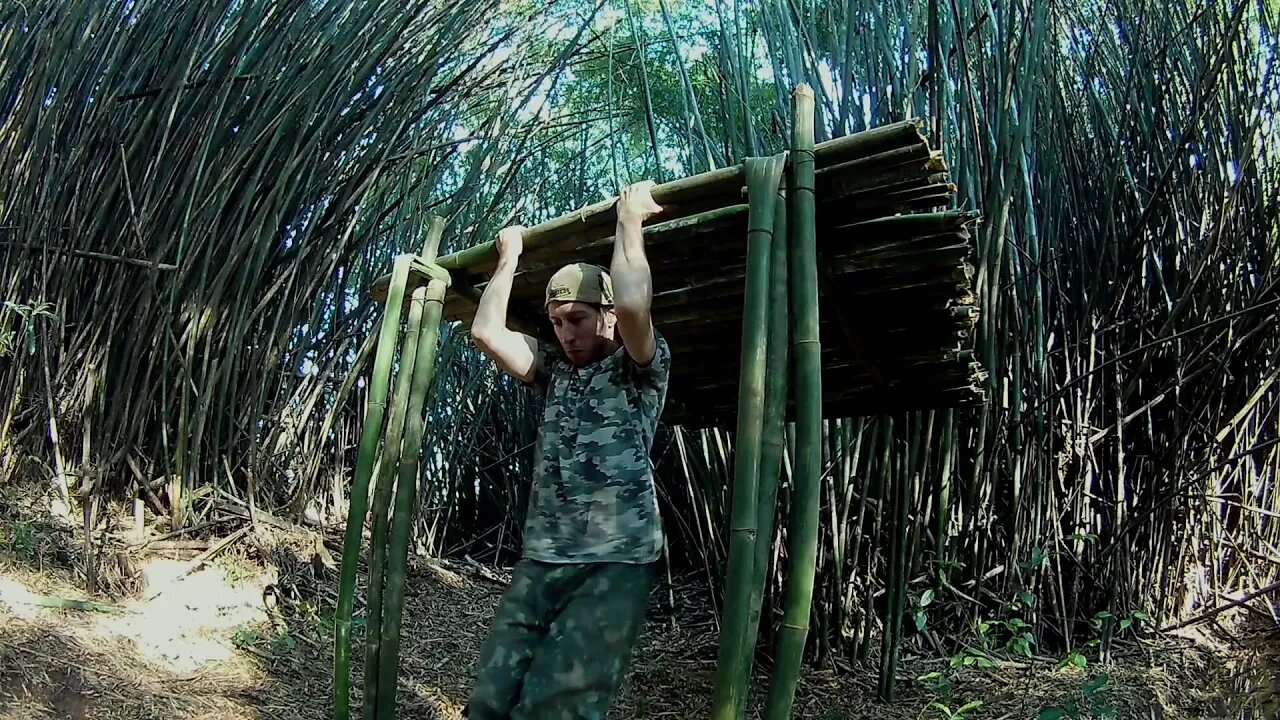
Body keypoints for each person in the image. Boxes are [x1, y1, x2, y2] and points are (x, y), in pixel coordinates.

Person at [465, 181, 672, 719]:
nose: (565, 333)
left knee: (556, 710)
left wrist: (629, 219)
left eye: (577, 319)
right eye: (556, 322)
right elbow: (486, 332)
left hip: (615, 558)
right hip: (543, 556)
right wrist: (508, 257)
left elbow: (631, 300)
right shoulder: (552, 373)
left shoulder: (638, 369)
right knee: (488, 704)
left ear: (605, 316)